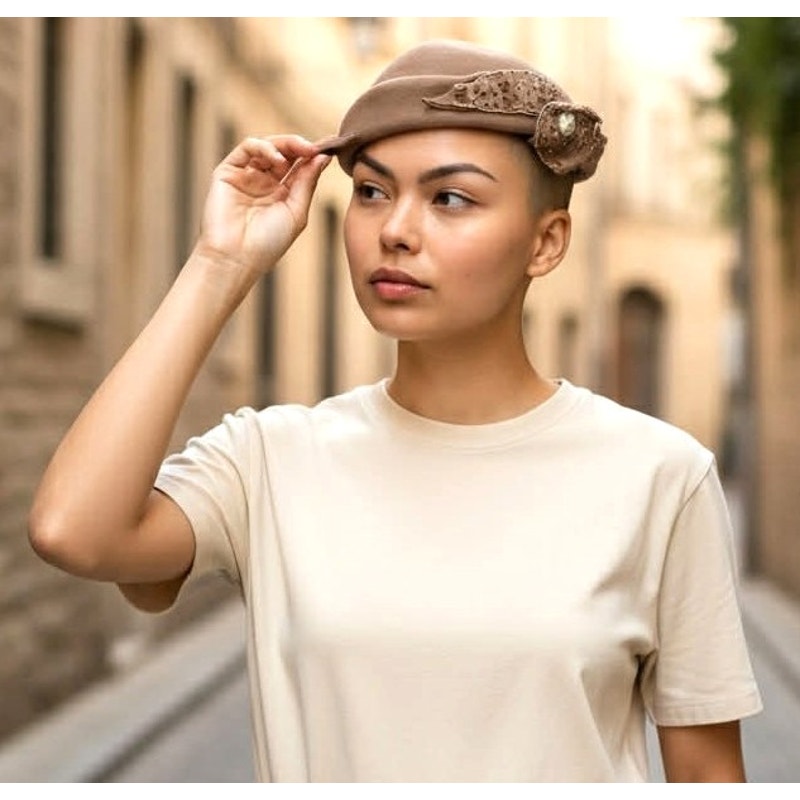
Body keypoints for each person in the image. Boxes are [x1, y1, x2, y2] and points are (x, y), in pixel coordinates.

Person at [28, 39, 762, 782]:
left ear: (547, 243)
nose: (395, 230)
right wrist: (222, 263)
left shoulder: (660, 477)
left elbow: (708, 778)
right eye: (374, 192)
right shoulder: (272, 460)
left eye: (450, 198)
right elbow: (73, 531)